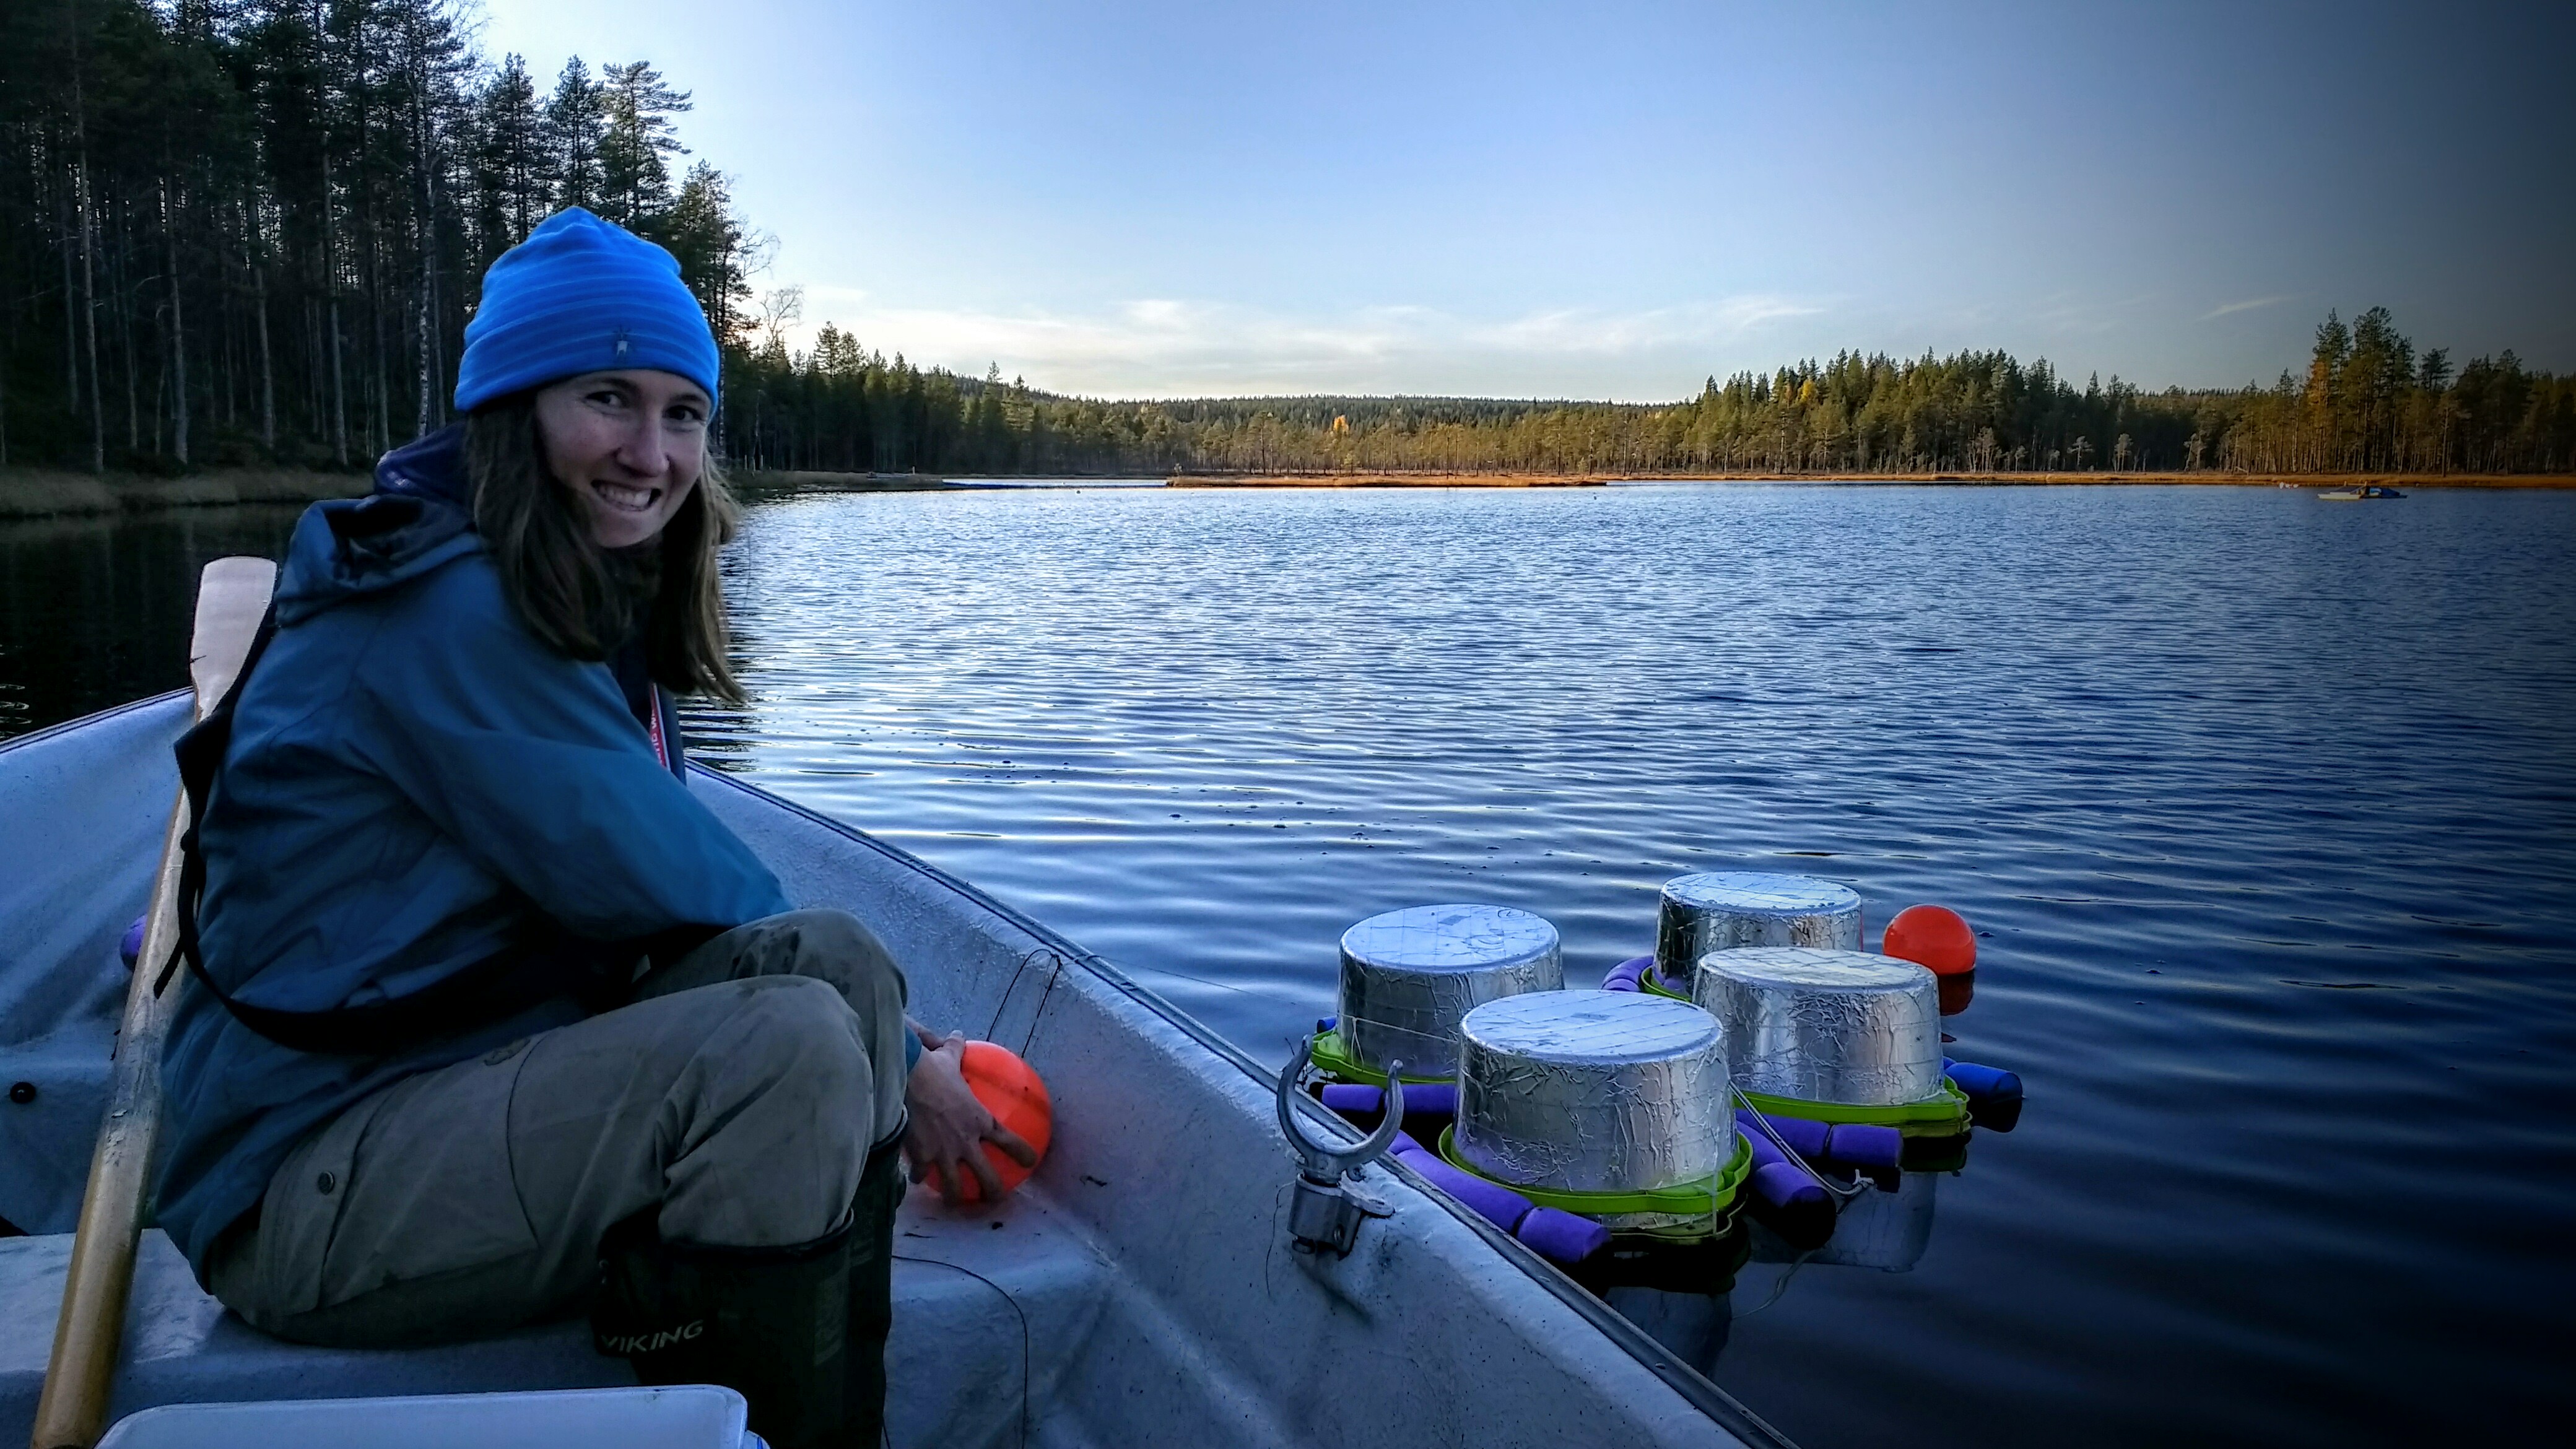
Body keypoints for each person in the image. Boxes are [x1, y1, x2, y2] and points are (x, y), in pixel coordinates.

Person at [154, 207, 1034, 1449]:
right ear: (516, 412)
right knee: (783, 1047)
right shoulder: (445, 615)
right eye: (608, 398)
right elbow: (675, 878)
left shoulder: (538, 584)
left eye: (684, 411)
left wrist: (903, 1041)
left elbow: (702, 904)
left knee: (832, 958)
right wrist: (910, 1076)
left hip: (447, 1080)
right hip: (302, 1190)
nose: (652, 450)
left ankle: (826, 1409)